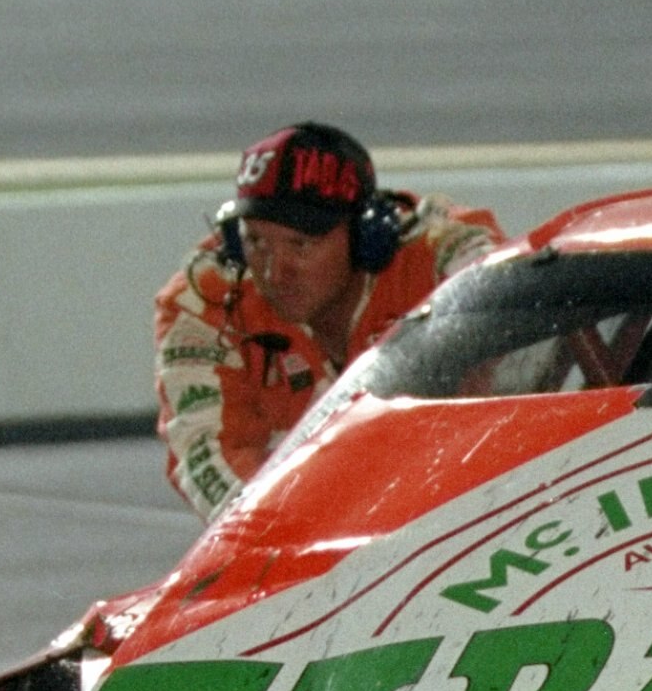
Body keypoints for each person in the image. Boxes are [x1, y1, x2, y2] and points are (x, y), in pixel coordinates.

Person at [153, 121, 499, 520]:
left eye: (300, 245)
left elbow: (503, 280)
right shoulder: (206, 299)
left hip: (464, 510)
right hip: (307, 530)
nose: (275, 272)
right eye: (256, 242)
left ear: (367, 236)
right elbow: (206, 453)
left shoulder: (441, 255)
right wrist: (290, 531)